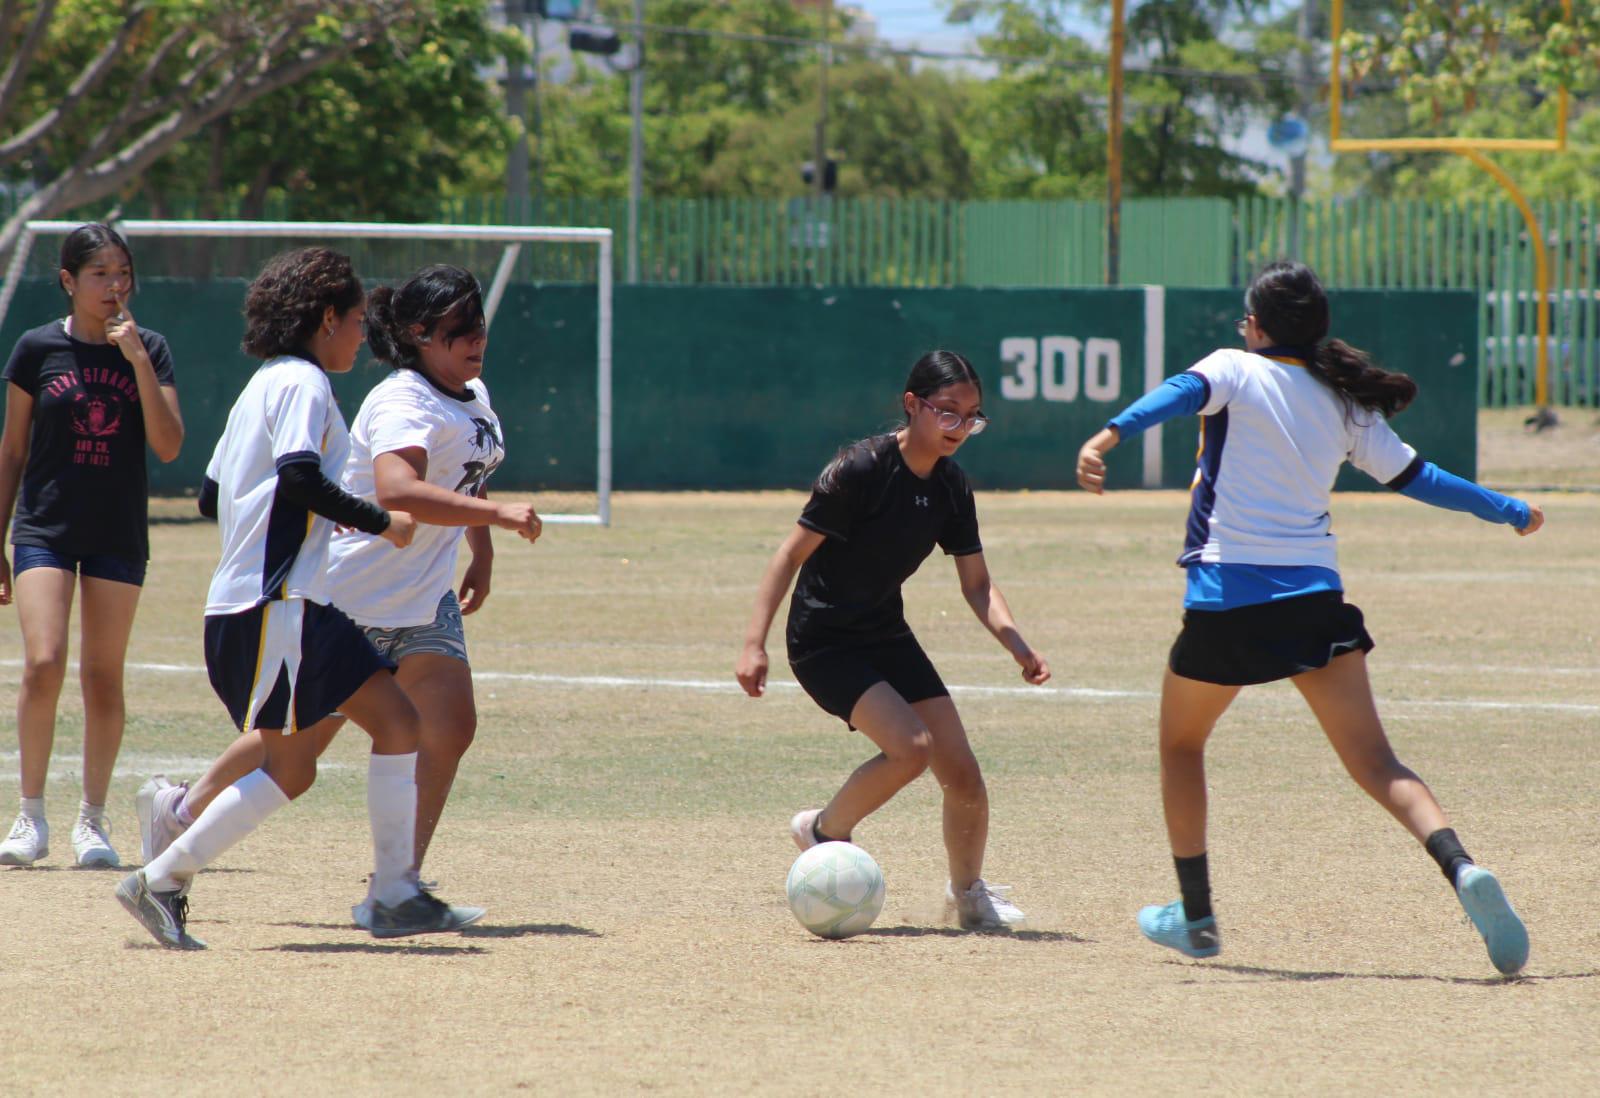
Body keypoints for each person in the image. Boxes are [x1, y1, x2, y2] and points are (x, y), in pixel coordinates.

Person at [1076, 260, 1541, 976]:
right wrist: (1509, 508)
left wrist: (1105, 438)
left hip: (1227, 603)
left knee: (1180, 747)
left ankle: (1197, 918)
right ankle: (1461, 867)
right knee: (1378, 763)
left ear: (1257, 328)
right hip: (1316, 604)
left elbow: (1175, 395)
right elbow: (1425, 480)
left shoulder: (1234, 367)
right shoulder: (1344, 402)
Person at [135, 264, 539, 928]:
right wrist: (372, 521)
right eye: (353, 321)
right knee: (299, 750)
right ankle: (178, 838)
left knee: (393, 732)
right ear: (328, 320)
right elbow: (333, 482)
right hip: (321, 598)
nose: (360, 334)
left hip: (339, 598)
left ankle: (393, 888)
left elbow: (214, 494)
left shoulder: (269, 382)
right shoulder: (314, 384)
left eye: (479, 328)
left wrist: (479, 549)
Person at [736, 350, 1051, 931]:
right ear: (913, 405)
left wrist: (1017, 644)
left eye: (972, 416)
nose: (960, 428)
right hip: (824, 639)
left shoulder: (952, 487)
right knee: (912, 747)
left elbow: (977, 584)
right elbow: (789, 556)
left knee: (963, 775)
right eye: (948, 413)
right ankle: (823, 831)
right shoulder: (860, 469)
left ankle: (968, 896)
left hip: (885, 632)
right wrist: (754, 643)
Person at [0, 223, 184, 869]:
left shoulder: (151, 348)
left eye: (122, 273)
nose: (114, 286)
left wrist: (135, 360)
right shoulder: (33, 348)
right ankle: (29, 818)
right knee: (43, 662)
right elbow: (13, 450)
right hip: (45, 527)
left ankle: (92, 821)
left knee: (102, 677)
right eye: (100, 274)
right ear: (68, 281)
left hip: (116, 531)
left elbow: (168, 444)